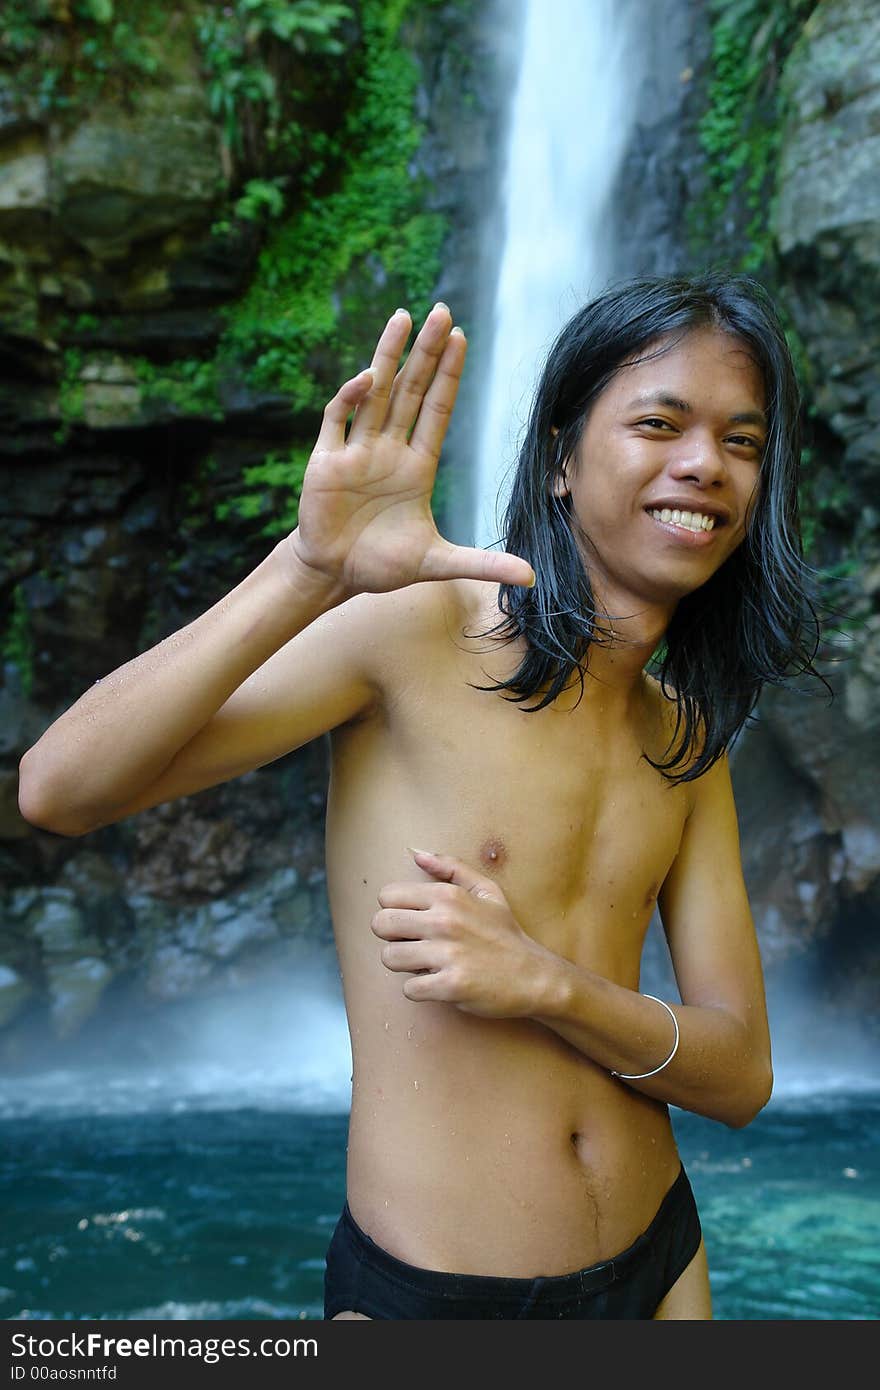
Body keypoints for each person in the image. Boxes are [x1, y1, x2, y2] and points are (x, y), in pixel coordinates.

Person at [18, 272, 821, 1320]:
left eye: (742, 442)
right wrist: (310, 568)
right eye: (659, 424)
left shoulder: (682, 739)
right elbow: (57, 790)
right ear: (560, 462)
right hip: (433, 1296)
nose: (703, 464)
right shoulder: (417, 633)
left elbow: (741, 1075)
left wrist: (550, 986)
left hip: (661, 1266)